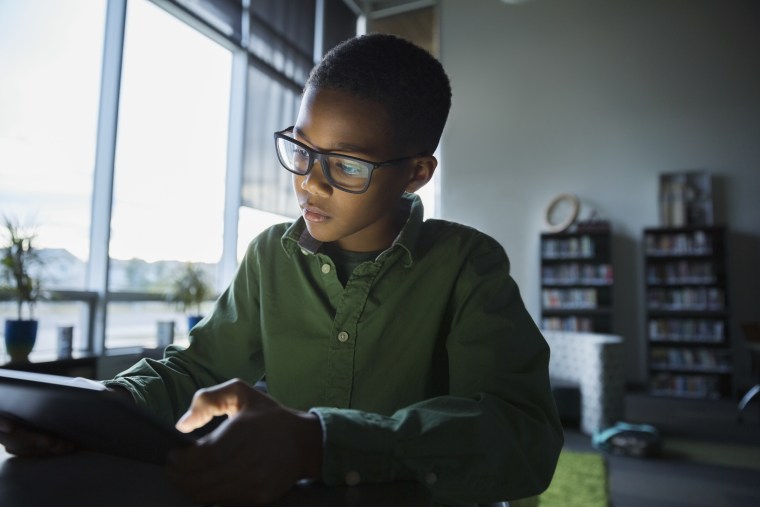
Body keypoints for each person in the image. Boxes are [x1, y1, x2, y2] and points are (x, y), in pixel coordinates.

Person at [0, 33, 563, 506]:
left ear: (416, 172)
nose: (310, 183)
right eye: (302, 149)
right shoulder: (271, 254)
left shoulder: (468, 264)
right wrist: (103, 409)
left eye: (345, 164)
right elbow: (195, 369)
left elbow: (521, 434)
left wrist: (321, 441)